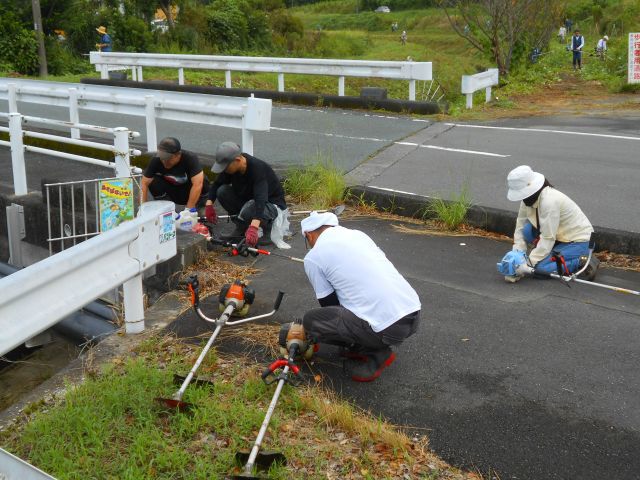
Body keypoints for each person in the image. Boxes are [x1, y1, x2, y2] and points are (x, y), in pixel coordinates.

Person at [300, 211, 421, 382]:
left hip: (388, 327)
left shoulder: (313, 257)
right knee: (352, 306)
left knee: (312, 320)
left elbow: (328, 304)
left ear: (309, 235)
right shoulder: (358, 235)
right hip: (412, 313)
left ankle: (377, 353)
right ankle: (363, 343)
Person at [499, 165, 596, 283]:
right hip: (559, 238)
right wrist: (517, 254)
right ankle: (550, 254)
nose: (522, 198)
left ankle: (583, 261)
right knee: (527, 230)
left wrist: (527, 264)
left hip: (580, 241)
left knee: (540, 269)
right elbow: (519, 226)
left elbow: (547, 237)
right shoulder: (527, 199)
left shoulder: (549, 201)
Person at [205, 142, 287, 247]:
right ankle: (241, 227)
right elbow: (217, 183)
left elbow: (260, 199)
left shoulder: (257, 168)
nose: (224, 170)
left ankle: (269, 231)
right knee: (222, 191)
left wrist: (254, 226)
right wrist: (209, 203)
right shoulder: (232, 168)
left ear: (238, 160)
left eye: (225, 167)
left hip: (271, 206)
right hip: (250, 202)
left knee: (251, 207)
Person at [141, 137, 208, 210]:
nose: (165, 162)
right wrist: (143, 209)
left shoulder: (190, 158)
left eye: (168, 159)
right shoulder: (156, 160)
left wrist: (188, 210)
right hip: (173, 193)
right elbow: (143, 184)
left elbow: (197, 185)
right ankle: (167, 209)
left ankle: (201, 207)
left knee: (202, 179)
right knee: (153, 181)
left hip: (190, 191)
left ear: (178, 154)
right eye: (162, 159)